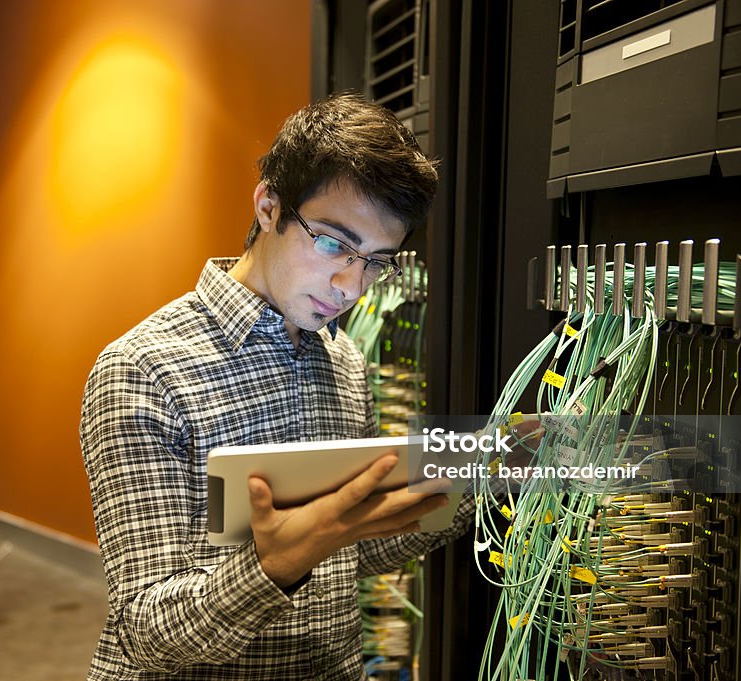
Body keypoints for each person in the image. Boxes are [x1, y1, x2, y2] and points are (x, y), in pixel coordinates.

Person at [80, 92, 470, 681]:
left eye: (376, 261)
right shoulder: (143, 370)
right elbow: (148, 632)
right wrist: (274, 567)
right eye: (335, 243)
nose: (350, 286)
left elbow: (350, 548)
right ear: (268, 205)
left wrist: (470, 484)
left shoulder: (344, 361)